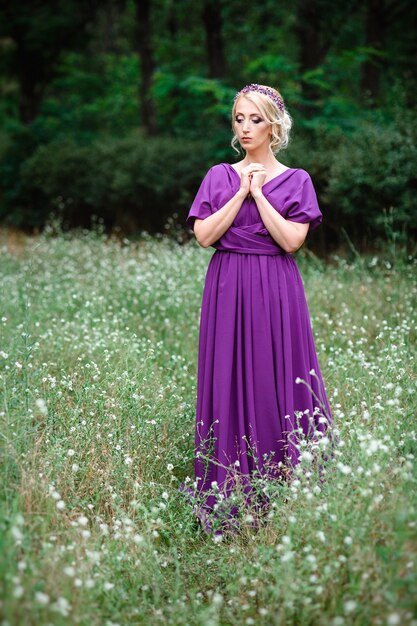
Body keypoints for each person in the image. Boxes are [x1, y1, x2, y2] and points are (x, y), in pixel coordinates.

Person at [179, 83, 335, 536]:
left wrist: (261, 195)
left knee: (276, 377)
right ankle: (228, 497)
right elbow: (205, 236)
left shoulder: (296, 180)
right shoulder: (218, 175)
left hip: (275, 287)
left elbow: (291, 241)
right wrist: (239, 193)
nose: (245, 128)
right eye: (239, 119)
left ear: (275, 126)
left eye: (255, 120)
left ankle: (284, 492)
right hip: (227, 285)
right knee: (227, 376)